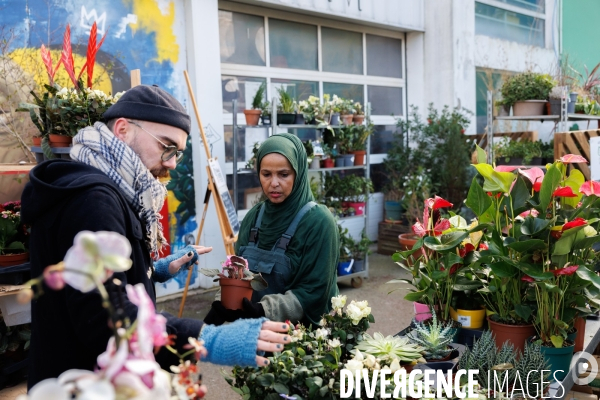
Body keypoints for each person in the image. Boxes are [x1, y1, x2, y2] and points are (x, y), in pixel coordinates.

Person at [21, 85, 289, 388]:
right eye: (167, 146)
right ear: (123, 129)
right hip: (87, 385)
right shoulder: (95, 199)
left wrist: (155, 270)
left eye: (178, 153)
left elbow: (92, 281)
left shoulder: (103, 185)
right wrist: (206, 337)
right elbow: (104, 317)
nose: (172, 163)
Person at [204, 133, 340, 327]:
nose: (274, 183)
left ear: (298, 173)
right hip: (256, 334)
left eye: (284, 174)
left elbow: (314, 291)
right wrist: (223, 300)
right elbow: (237, 272)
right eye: (266, 174)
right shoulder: (254, 218)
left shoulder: (319, 222)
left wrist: (263, 309)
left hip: (304, 341)